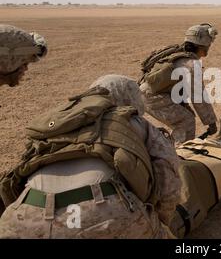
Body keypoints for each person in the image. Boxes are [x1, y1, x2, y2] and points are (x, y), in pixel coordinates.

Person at [0, 75, 180, 239]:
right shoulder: (135, 122)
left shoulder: (57, 123)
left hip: (21, 218)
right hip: (100, 215)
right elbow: (168, 184)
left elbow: (16, 176)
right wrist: (159, 221)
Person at [140, 24, 218, 144]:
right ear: (204, 44)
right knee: (185, 122)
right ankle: (178, 157)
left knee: (185, 117)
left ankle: (173, 149)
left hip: (149, 94)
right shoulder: (191, 64)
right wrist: (210, 121)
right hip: (152, 97)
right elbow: (198, 97)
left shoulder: (178, 54)